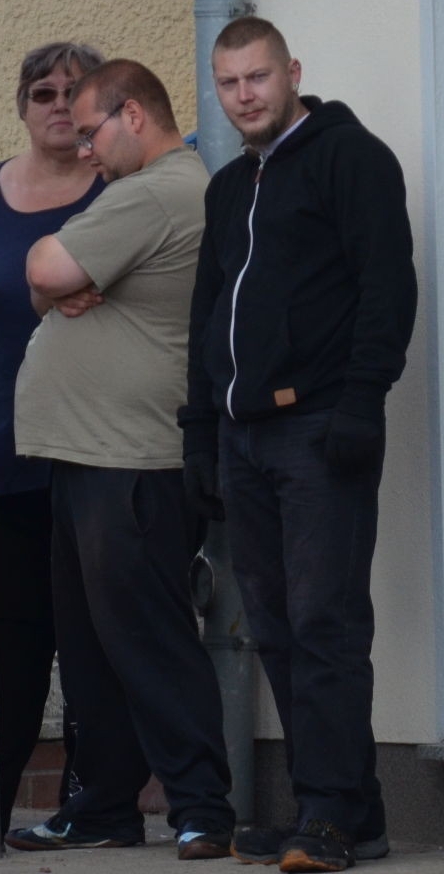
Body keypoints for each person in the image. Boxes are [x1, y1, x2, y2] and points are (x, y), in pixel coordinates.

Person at [178, 16, 417, 874]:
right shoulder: (228, 188)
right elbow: (208, 314)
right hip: (242, 439)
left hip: (320, 430)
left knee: (325, 626)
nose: (245, 95)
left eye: (259, 77)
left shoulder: (351, 159)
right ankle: (349, 813)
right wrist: (200, 432)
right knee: (276, 631)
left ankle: (328, 815)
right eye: (229, 82)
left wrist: (360, 404)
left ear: (292, 73)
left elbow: (388, 285)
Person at [5, 58, 234, 859]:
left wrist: (52, 271)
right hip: (87, 453)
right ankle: (103, 805)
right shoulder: (134, 191)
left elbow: (42, 267)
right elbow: (45, 285)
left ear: (133, 115)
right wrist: (52, 278)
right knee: (91, 646)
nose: (85, 150)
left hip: (130, 458)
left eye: (92, 130)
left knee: (147, 638)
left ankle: (202, 805)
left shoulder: (159, 191)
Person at [0, 40, 106, 844]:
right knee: (14, 645)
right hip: (5, 461)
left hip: (91, 454)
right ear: (22, 107)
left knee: (96, 641)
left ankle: (94, 806)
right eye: (45, 94)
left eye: (76, 91)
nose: (61, 106)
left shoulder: (120, 193)